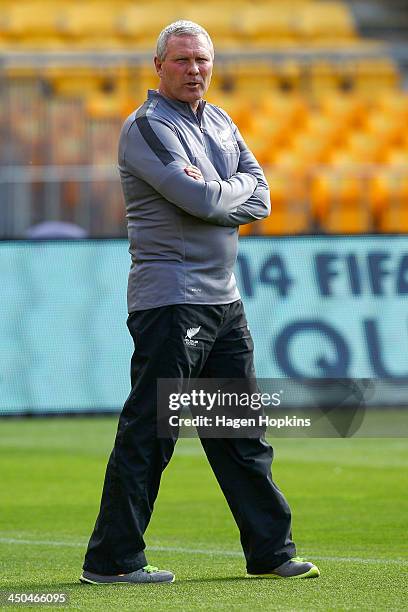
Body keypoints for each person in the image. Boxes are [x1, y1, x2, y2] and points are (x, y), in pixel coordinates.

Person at [80, 20, 320, 585]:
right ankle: (110, 561)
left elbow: (257, 190)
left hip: (223, 300)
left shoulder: (219, 119)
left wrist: (221, 193)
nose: (195, 70)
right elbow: (201, 198)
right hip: (172, 300)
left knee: (240, 432)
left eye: (203, 60)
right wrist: (224, 191)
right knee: (153, 431)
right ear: (158, 66)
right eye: (183, 60)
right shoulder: (146, 126)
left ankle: (270, 552)